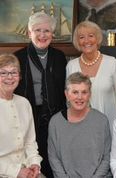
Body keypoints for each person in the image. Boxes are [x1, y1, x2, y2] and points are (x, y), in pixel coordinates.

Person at [14, 12, 67, 178]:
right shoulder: (18, 57)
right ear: (29, 33)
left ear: (52, 34)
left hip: (55, 116)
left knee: (55, 159)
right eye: (37, 30)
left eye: (47, 31)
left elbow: (63, 88)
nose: (42, 35)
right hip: (28, 117)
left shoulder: (59, 57)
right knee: (33, 160)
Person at [48, 72, 112, 178]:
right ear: (67, 94)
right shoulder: (55, 122)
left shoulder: (101, 120)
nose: (80, 97)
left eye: (84, 92)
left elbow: (107, 157)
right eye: (75, 92)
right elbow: (53, 158)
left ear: (90, 94)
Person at [66, 20, 116, 132]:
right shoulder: (71, 65)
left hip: (110, 124)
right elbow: (69, 98)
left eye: (91, 36)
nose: (86, 40)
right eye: (81, 37)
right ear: (77, 41)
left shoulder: (111, 62)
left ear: (97, 38)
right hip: (81, 125)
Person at [0, 54, 42, 178]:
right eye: (3, 73)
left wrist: (34, 163)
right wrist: (16, 172)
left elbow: (30, 142)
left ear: (20, 76)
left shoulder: (24, 103)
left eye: (14, 72)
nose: (9, 77)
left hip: (26, 169)